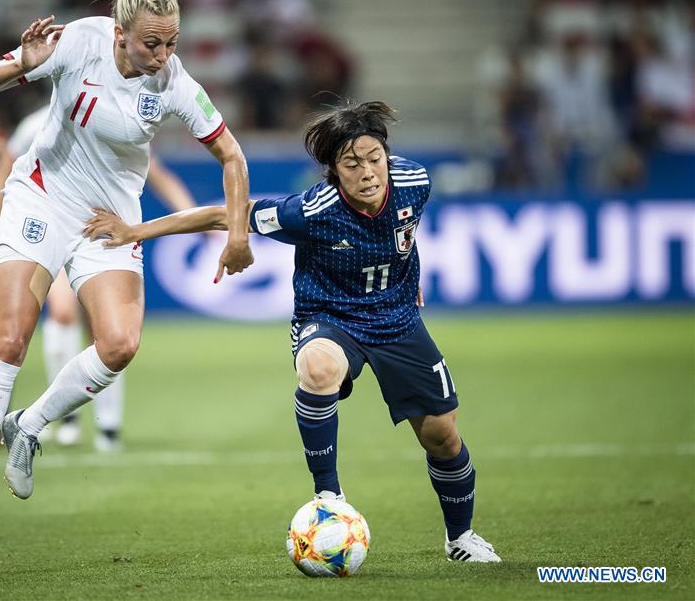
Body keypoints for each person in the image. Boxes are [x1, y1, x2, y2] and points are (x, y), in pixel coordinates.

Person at [0, 0, 253, 540]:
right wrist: (21, 63)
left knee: (119, 345)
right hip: (41, 197)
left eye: (172, 41)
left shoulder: (172, 82)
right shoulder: (77, 42)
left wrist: (236, 235)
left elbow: (232, 155)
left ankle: (28, 425)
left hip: (106, 225)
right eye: (153, 42)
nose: (165, 53)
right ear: (119, 32)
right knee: (12, 338)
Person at [86, 101, 501, 563]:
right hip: (331, 316)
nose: (368, 172)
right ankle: (329, 498)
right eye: (352, 164)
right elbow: (228, 214)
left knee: (443, 436)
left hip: (398, 319)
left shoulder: (415, 182)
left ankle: (460, 538)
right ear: (334, 172)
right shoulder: (312, 211)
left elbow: (403, 231)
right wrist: (135, 230)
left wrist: (408, 271)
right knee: (317, 366)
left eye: (375, 158)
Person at [0, 105, 198, 451]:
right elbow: (4, 175)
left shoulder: (110, 115)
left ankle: (109, 425)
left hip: (100, 235)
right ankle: (66, 418)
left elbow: (156, 173)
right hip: (52, 230)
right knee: (63, 313)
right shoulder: (34, 124)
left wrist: (187, 211)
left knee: (109, 334)